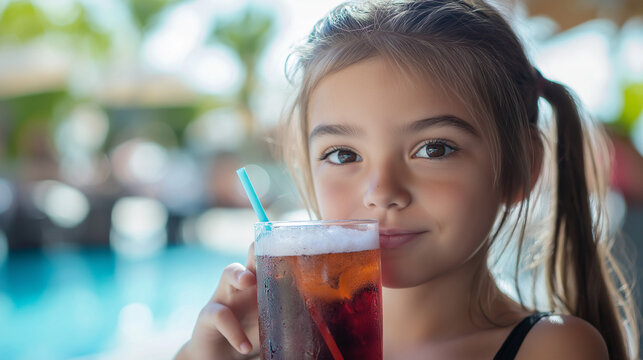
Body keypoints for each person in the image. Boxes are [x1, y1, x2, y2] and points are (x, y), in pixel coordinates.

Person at [175, 0, 639, 359]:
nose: (382, 191)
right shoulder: (263, 348)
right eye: (343, 154)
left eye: (434, 148)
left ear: (520, 169)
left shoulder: (552, 349)